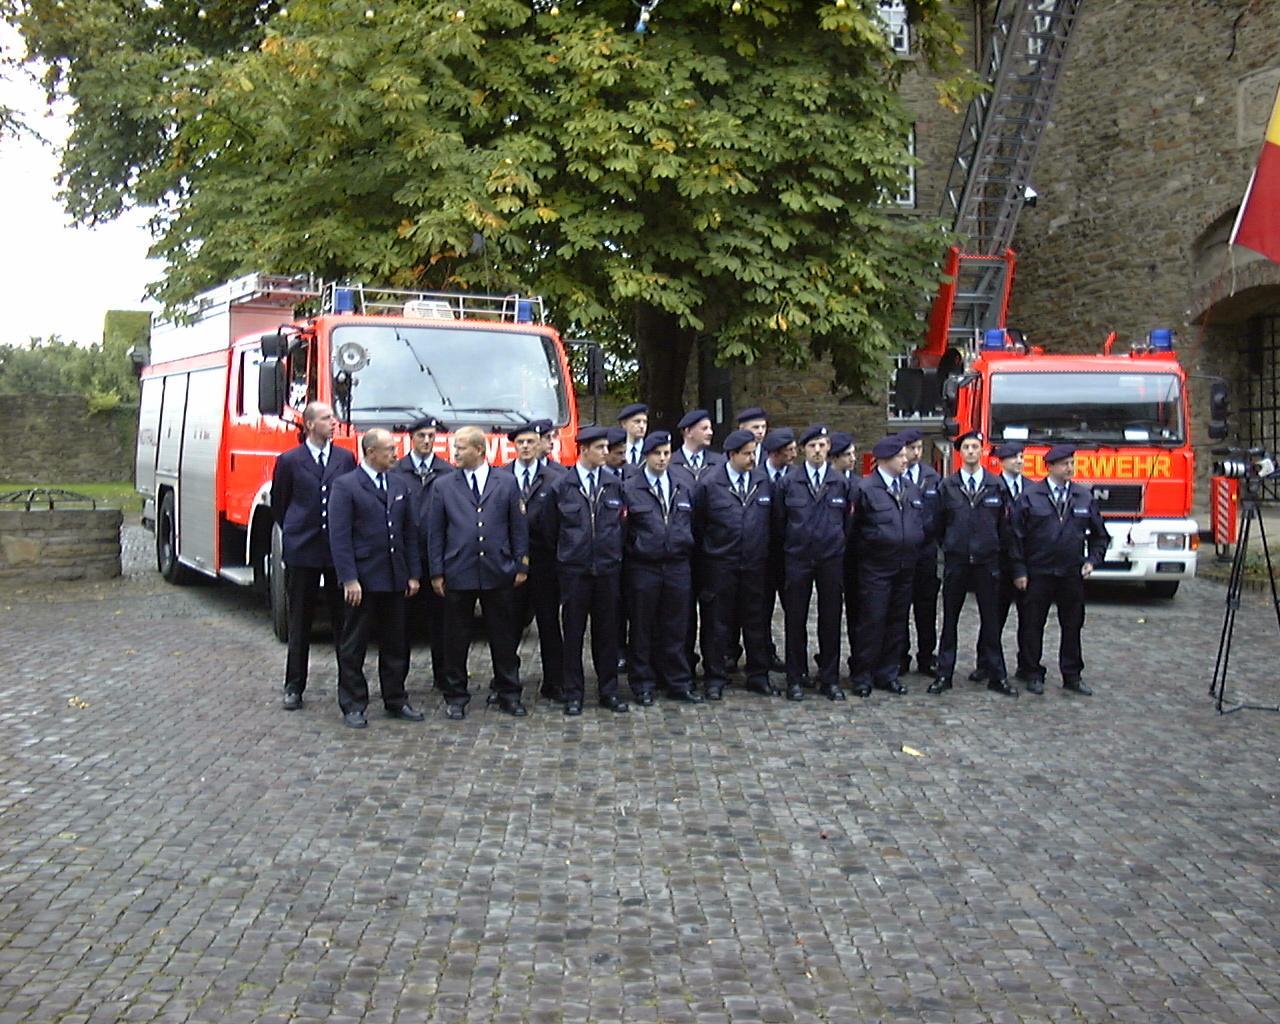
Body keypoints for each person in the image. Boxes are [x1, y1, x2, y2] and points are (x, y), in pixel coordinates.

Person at [427, 425, 530, 719]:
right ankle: (456, 695)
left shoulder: (506, 482)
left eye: (460, 447)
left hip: (498, 570)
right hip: (459, 570)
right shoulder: (443, 485)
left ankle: (509, 691)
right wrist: (437, 571)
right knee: (456, 638)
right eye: (454, 447)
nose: (454, 452)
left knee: (503, 636)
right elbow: (436, 533)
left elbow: (518, 528)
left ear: (479, 451)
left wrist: (521, 565)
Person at [327, 428, 424, 728]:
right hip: (363, 579)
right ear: (371, 452)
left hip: (394, 576)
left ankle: (395, 697)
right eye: (389, 449)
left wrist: (412, 573)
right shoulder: (346, 486)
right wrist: (349, 578)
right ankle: (353, 703)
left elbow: (409, 531)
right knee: (354, 643)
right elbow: (339, 536)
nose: (396, 453)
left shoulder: (398, 483)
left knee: (396, 642)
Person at [271, 401, 356, 711]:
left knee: (343, 622)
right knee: (300, 620)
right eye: (326, 418)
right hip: (303, 549)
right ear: (309, 425)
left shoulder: (345, 459)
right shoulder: (290, 461)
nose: (333, 423)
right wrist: (295, 532)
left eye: (333, 417)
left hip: (337, 551)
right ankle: (294, 685)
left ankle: (348, 687)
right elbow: (281, 504)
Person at [1010, 444, 1109, 696]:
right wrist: (1019, 570)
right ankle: (1032, 670)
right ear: (1050, 467)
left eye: (1072, 463)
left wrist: (1093, 560)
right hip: (1038, 571)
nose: (1070, 468)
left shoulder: (1083, 496)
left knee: (1073, 624)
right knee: (1032, 624)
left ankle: (1072, 674)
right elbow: (1015, 537)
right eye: (1064, 464)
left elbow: (1100, 535)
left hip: (1070, 572)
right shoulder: (1031, 496)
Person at [544, 426, 630, 716]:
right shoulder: (562, 486)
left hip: (606, 570)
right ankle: (573, 693)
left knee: (607, 633)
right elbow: (549, 530)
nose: (607, 452)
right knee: (573, 633)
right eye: (601, 448)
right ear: (584, 450)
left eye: (607, 447)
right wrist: (567, 557)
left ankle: (609, 691)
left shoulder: (613, 484)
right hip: (575, 571)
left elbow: (622, 526)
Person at [927, 431, 1018, 698]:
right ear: (959, 452)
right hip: (957, 561)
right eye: (965, 447)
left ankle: (996, 674)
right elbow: (938, 524)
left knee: (991, 621)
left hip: (987, 562)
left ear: (982, 452)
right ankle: (944, 673)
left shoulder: (995, 485)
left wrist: (995, 551)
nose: (970, 451)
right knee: (949, 621)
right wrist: (952, 546)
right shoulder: (948, 486)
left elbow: (1005, 526)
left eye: (975, 447)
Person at [694, 428, 776, 699]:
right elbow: (698, 525)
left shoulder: (762, 482)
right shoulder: (709, 484)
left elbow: (773, 523)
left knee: (756, 622)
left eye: (754, 453)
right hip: (720, 564)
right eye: (747, 454)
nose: (753, 459)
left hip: (755, 565)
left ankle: (758, 674)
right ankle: (715, 676)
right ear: (731, 455)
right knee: (717, 623)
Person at [773, 425, 854, 702]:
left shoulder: (840, 482)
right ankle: (795, 677)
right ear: (803, 450)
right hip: (798, 557)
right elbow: (779, 523)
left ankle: (829, 678)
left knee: (830, 619)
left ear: (829, 447)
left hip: (830, 558)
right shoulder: (789, 483)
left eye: (822, 445)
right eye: (812, 446)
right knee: (795, 620)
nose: (817, 451)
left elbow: (847, 523)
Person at [622, 431, 700, 704]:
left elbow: (694, 522)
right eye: (657, 453)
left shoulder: (683, 483)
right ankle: (643, 682)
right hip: (644, 566)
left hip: (678, 563)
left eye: (667, 453)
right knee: (643, 627)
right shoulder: (631, 487)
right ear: (646, 455)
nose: (663, 459)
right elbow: (624, 530)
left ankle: (677, 680)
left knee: (677, 626)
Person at [849, 435, 925, 698]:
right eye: (900, 456)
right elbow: (852, 529)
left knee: (897, 621)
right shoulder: (865, 489)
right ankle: (862, 675)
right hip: (875, 566)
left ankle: (888, 673)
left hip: (905, 565)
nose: (906, 460)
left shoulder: (910, 488)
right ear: (883, 460)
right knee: (872, 621)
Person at [499, 420, 566, 703]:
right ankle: (505, 682)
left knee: (549, 625)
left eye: (530, 442)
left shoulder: (557, 477)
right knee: (507, 627)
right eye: (520, 443)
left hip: (545, 563)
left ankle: (555, 682)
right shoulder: (500, 477)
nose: (525, 447)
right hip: (512, 564)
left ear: (541, 444)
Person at [394, 415, 453, 689]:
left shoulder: (447, 471)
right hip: (406, 558)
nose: (427, 441)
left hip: (437, 558)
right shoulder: (396, 471)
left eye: (432, 436)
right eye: (422, 436)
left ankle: (443, 676)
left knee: (442, 624)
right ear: (411, 438)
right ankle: (397, 681)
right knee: (401, 624)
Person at [971, 441, 1035, 684]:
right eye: (1014, 457)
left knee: (1028, 619)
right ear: (1001, 461)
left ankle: (1027, 665)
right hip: (997, 562)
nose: (1019, 461)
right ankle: (985, 663)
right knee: (992, 617)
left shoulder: (1032, 489)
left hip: (1025, 564)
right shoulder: (992, 486)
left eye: (1021, 456)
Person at [898, 427, 941, 676]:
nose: (915, 453)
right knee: (900, 608)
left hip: (925, 553)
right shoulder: (894, 475)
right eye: (911, 448)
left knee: (926, 610)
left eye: (919, 448)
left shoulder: (931, 477)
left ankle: (927, 656)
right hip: (902, 554)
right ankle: (899, 655)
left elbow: (938, 513)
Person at [760, 428, 797, 673]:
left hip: (788, 554)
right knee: (760, 610)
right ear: (775, 453)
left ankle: (795, 660)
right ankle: (764, 654)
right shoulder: (757, 475)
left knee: (792, 608)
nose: (795, 454)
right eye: (789, 450)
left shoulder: (796, 476)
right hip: (760, 554)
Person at [670, 409, 725, 482]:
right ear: (688, 432)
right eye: (704, 428)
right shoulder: (670, 463)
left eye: (710, 428)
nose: (710, 432)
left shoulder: (719, 462)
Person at [618, 403, 649, 469]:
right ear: (624, 424)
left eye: (645, 422)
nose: (642, 426)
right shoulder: (617, 450)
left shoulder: (650, 450)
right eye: (637, 421)